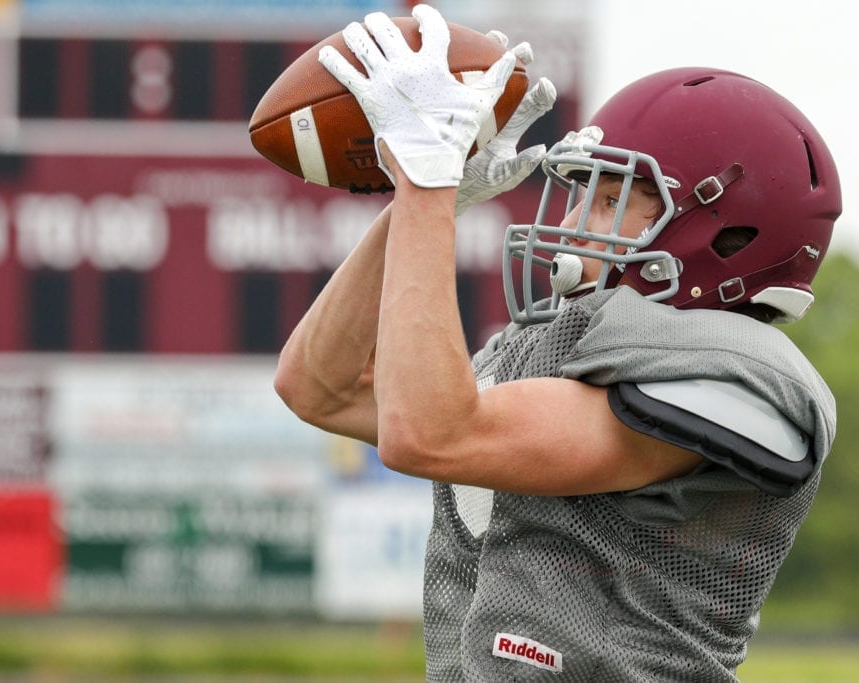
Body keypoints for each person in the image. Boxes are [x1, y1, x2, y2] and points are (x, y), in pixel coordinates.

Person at [273, 4, 841, 681]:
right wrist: (415, 208)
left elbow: (428, 433)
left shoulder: (726, 375)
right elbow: (320, 386)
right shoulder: (568, 350)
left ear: (724, 234)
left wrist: (427, 184)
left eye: (608, 199)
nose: (572, 224)